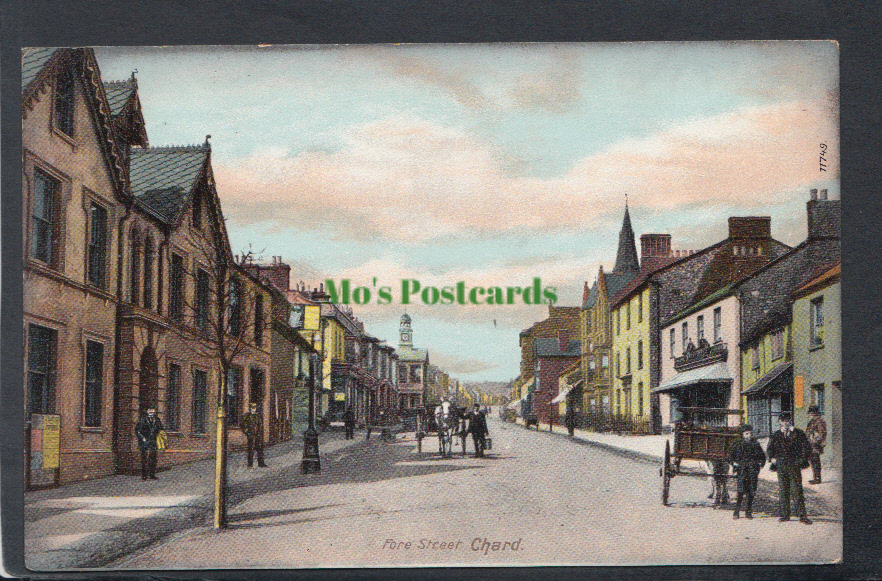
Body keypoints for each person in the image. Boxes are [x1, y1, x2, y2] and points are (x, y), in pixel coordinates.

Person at [767, 411, 812, 524]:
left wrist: (801, 461)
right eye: (783, 421)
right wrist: (772, 458)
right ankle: (785, 515)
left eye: (787, 420)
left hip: (794, 465)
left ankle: (802, 516)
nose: (785, 423)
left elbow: (806, 448)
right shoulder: (776, 434)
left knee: (797, 490)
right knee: (783, 490)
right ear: (780, 422)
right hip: (781, 466)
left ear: (790, 421)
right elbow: (769, 449)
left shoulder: (798, 433)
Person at [727, 424, 766, 519]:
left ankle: (748, 511)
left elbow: (762, 456)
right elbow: (730, 457)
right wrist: (734, 463)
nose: (749, 435)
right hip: (742, 470)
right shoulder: (737, 444)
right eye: (746, 433)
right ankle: (736, 511)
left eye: (750, 433)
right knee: (740, 491)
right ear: (743, 434)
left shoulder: (756, 444)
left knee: (751, 491)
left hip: (753, 470)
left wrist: (760, 464)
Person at [135, 407, 163, 480]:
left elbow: (161, 428)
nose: (151, 414)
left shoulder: (157, 420)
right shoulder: (143, 420)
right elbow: (137, 431)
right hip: (144, 441)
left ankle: (152, 475)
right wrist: (142, 438)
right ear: (147, 413)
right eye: (149, 412)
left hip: (153, 441)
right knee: (144, 458)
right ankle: (144, 476)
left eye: (152, 412)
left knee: (153, 458)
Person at [805, 405, 827, 484]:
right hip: (810, 445)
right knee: (812, 461)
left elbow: (822, 434)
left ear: (815, 413)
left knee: (815, 461)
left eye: (811, 413)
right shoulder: (812, 421)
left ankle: (817, 478)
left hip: (815, 445)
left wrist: (815, 440)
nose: (810, 414)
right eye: (810, 413)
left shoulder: (820, 422)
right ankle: (815, 477)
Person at [240, 403, 266, 468]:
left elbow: (260, 425)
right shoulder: (247, 416)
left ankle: (261, 464)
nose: (253, 409)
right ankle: (250, 464)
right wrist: (247, 432)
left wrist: (260, 433)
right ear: (250, 408)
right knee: (250, 450)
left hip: (257, 435)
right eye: (252, 408)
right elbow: (242, 425)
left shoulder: (258, 416)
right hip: (251, 435)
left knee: (260, 449)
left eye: (254, 408)